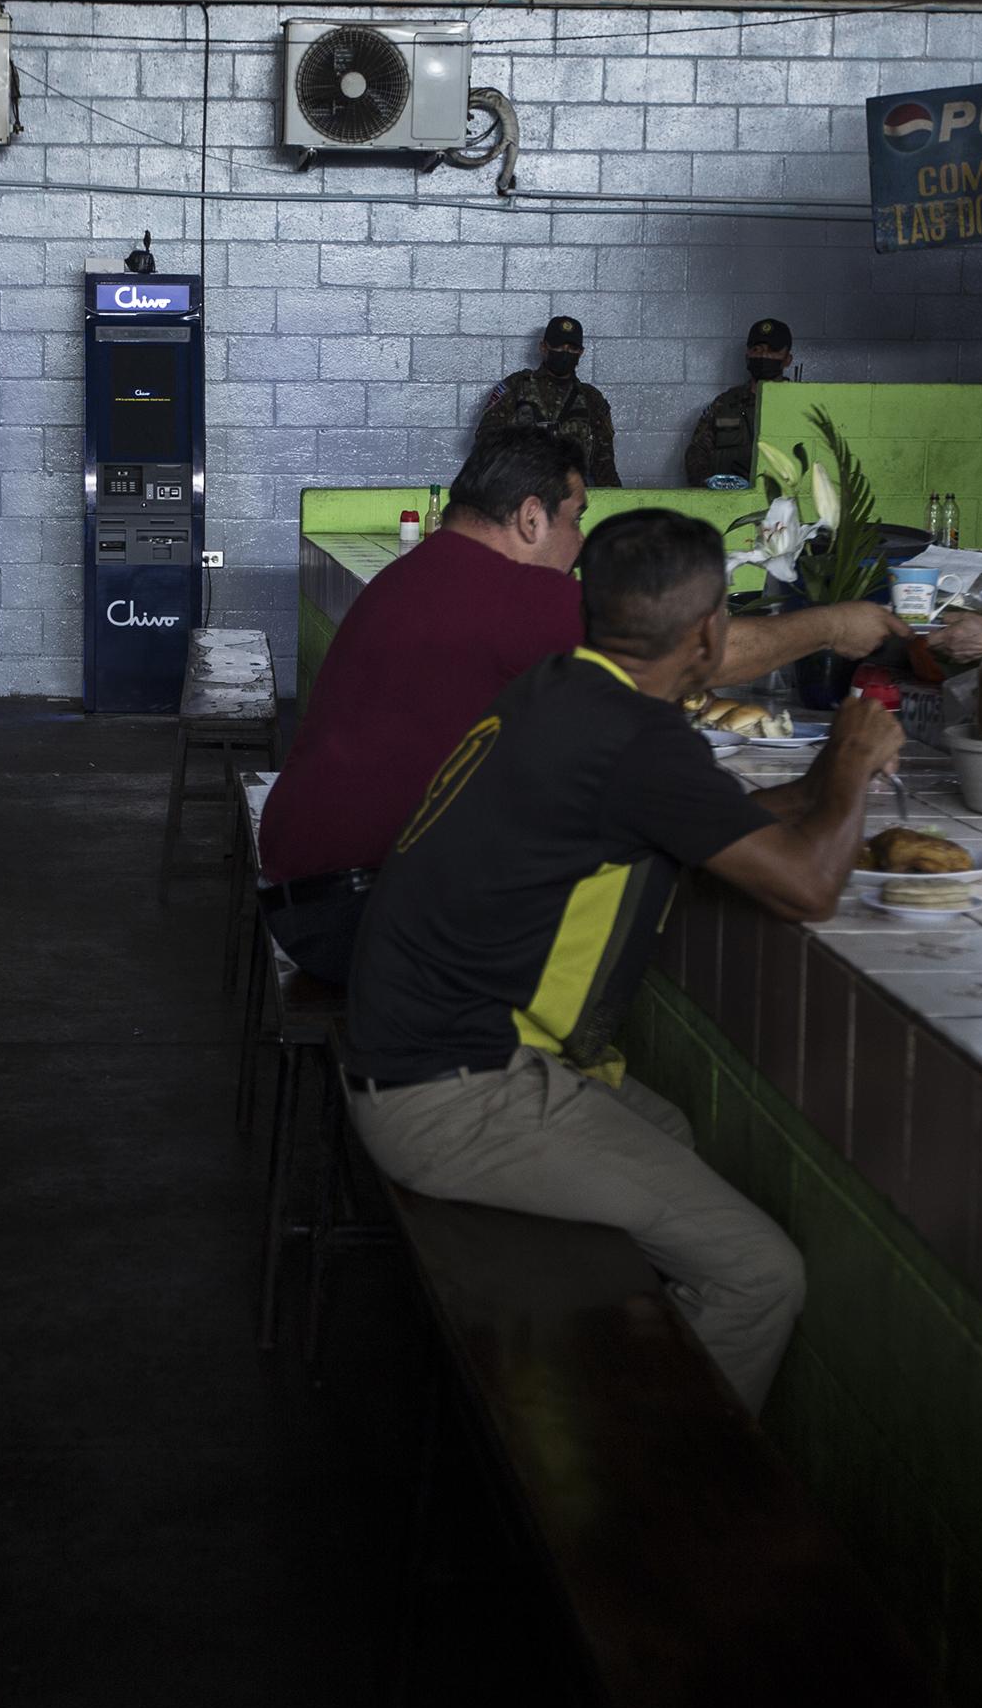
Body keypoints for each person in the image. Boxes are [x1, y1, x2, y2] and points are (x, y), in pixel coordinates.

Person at [341, 508, 900, 1412]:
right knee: (760, 1274)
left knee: (666, 1134)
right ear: (711, 631)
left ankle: (598, 1377)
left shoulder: (561, 689)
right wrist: (848, 764)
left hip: (406, 1051)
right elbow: (807, 889)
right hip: (447, 1093)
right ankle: (658, 1504)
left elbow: (718, 818)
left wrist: (824, 791)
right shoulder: (637, 740)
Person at [256, 430, 910, 983]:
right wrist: (832, 626)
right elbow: (701, 653)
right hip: (354, 909)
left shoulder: (426, 569)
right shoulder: (508, 592)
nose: (578, 544)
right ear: (532, 518)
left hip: (312, 885)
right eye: (576, 518)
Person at [475, 314, 618, 487]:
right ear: (543, 347)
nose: (565, 353)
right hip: (520, 493)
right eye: (558, 347)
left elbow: (604, 461)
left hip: (571, 497)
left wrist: (614, 502)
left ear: (581, 352)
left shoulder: (591, 398)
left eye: (571, 348)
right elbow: (486, 439)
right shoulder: (516, 386)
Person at [682, 316, 796, 488]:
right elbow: (696, 453)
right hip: (728, 502)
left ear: (787, 359)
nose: (764, 355)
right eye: (757, 349)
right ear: (748, 354)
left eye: (773, 351)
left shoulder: (798, 404)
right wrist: (710, 485)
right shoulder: (725, 404)